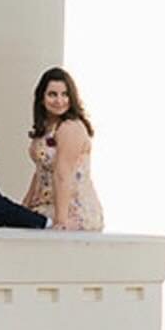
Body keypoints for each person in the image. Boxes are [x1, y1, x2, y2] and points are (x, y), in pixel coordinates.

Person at [23, 67, 104, 231]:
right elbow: (40, 172)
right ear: (41, 98)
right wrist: (24, 207)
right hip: (45, 205)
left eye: (65, 94)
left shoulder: (70, 127)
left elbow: (63, 174)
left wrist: (61, 221)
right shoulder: (45, 129)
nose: (59, 100)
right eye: (52, 94)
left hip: (71, 210)